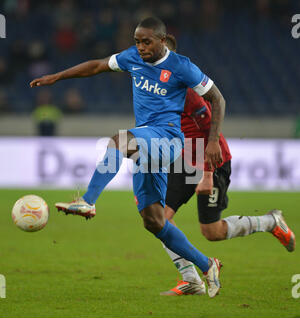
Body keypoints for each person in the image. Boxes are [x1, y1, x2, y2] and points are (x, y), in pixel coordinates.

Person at [30, 17, 225, 297]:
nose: (141, 47)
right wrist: (57, 77)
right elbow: (97, 65)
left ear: (162, 40)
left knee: (119, 140)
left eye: (147, 42)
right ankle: (207, 266)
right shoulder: (132, 57)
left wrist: (213, 141)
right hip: (146, 143)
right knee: (154, 221)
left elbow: (218, 99)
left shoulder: (182, 67)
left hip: (168, 137)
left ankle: (87, 201)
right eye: (137, 41)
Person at [160, 34, 296, 296]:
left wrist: (207, 173)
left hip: (211, 161)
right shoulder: (154, 88)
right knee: (158, 219)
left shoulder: (187, 90)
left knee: (212, 232)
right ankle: (190, 279)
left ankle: (270, 222)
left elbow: (208, 127)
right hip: (184, 160)